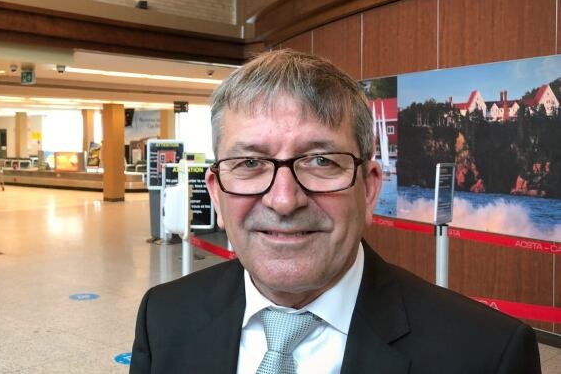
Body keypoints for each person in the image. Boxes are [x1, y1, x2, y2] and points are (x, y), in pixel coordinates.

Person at [130, 50, 540, 373]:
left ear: (369, 187)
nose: (284, 200)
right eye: (250, 164)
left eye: (321, 161)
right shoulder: (163, 318)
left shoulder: (485, 355)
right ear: (217, 194)